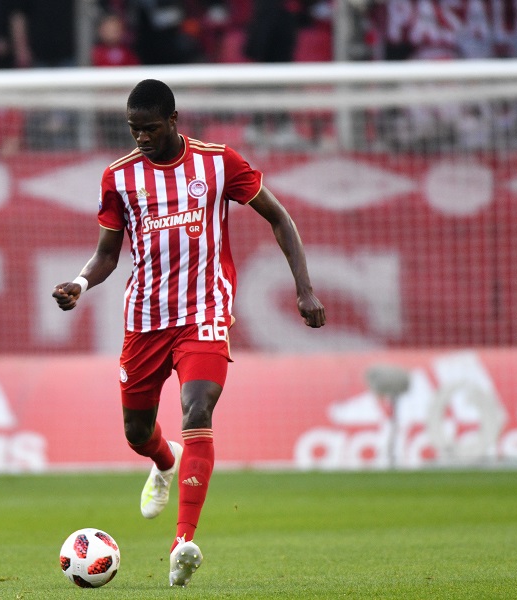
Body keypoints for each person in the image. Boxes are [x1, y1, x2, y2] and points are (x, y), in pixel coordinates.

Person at [52, 79, 325, 587]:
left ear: (173, 121)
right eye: (133, 129)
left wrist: (304, 289)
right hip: (145, 320)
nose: (141, 138)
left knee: (197, 409)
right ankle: (164, 462)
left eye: (150, 128)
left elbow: (279, 217)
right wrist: (81, 283)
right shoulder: (119, 177)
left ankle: (182, 543)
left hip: (205, 313)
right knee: (137, 432)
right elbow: (108, 254)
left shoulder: (218, 162)